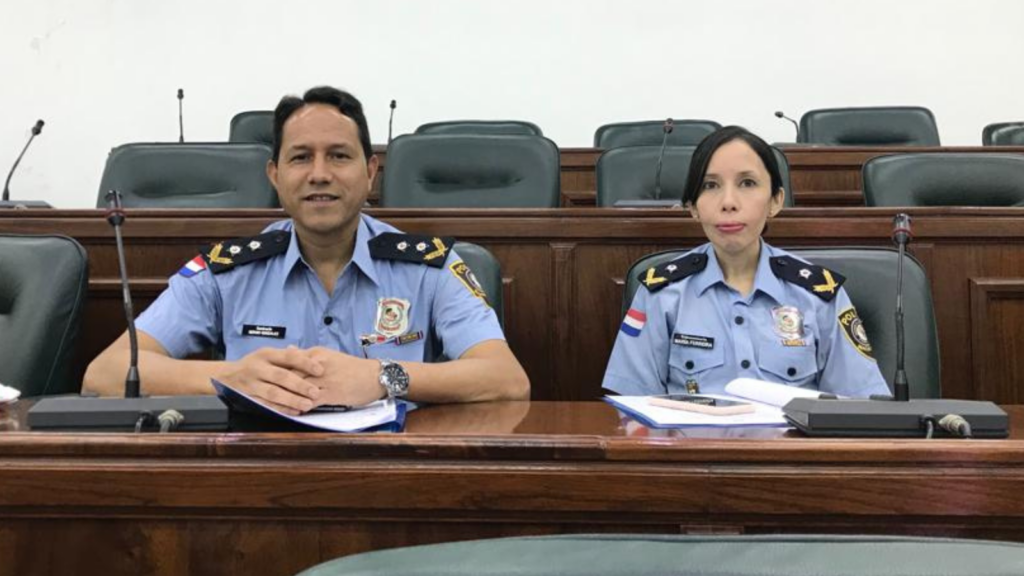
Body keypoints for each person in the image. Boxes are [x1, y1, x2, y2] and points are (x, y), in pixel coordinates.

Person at [84, 86, 529, 413]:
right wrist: (229, 377)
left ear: (370, 172)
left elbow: (507, 380)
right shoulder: (227, 270)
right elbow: (104, 374)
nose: (319, 174)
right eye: (300, 157)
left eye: (338, 156)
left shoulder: (427, 265)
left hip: (393, 470)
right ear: (275, 175)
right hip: (258, 473)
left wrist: (383, 376)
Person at [602, 126, 889, 398]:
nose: (728, 202)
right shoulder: (660, 294)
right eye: (710, 185)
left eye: (747, 183)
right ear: (692, 207)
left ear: (776, 201)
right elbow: (633, 413)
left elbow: (858, 406)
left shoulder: (820, 295)